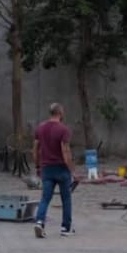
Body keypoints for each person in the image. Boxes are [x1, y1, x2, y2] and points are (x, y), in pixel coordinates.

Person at [33, 102, 76, 239]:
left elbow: (35, 149)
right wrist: (72, 169)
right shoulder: (64, 130)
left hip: (47, 168)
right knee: (66, 199)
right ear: (60, 113)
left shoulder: (40, 128)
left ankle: (39, 222)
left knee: (45, 198)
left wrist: (38, 166)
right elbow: (65, 151)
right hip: (61, 168)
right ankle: (65, 227)